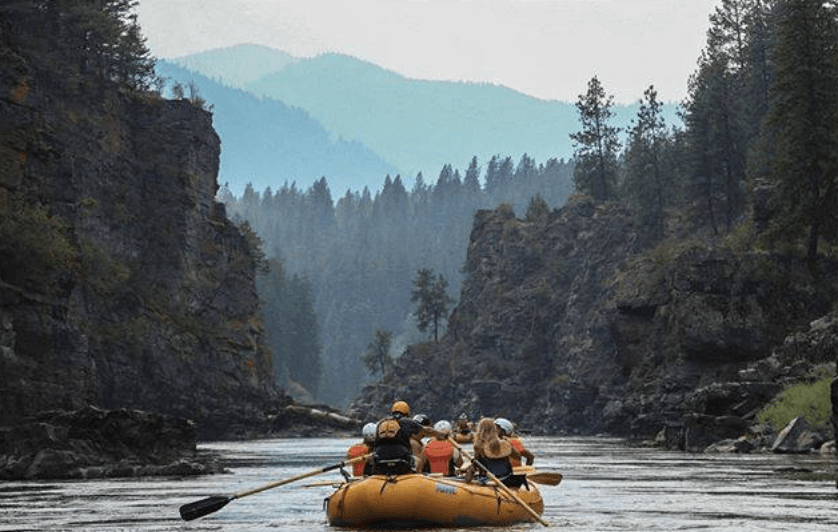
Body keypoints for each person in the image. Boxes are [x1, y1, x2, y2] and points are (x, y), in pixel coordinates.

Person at [370, 401, 443, 475]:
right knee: (418, 461)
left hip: (380, 456)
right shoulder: (407, 422)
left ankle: (374, 477)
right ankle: (417, 480)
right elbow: (426, 430)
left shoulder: (381, 423)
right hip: (401, 456)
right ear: (406, 412)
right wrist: (441, 433)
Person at [465, 417, 526, 488]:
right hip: (508, 479)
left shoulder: (479, 446)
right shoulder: (505, 443)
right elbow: (518, 456)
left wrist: (467, 477)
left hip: (491, 479)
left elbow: (474, 468)